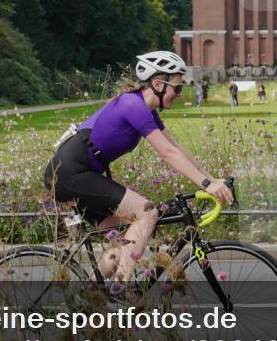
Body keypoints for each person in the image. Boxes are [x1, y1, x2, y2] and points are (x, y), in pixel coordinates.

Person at [44, 50, 234, 285]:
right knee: (147, 212)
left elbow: (175, 146)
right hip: (70, 174)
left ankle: (89, 293)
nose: (178, 93)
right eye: (177, 88)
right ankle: (122, 286)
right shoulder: (132, 104)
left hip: (80, 174)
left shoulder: (147, 109)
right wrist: (205, 184)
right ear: (158, 84)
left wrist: (211, 178)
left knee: (123, 239)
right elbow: (167, 154)